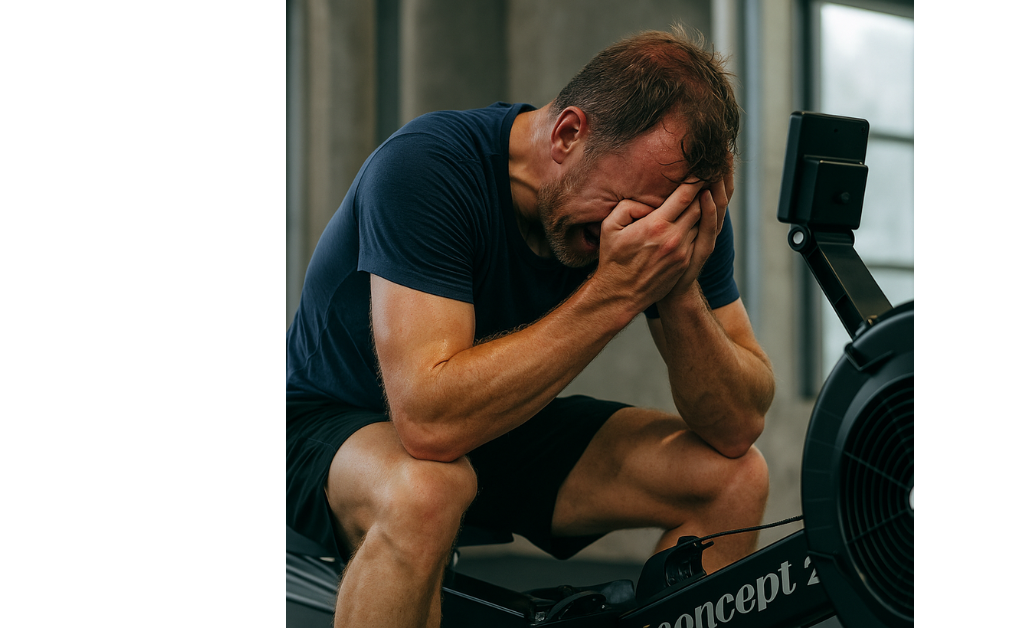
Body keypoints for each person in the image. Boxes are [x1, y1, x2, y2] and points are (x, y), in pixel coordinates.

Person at [286, 27, 775, 628]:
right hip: (337, 422)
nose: (640, 234)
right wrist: (618, 292)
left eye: (658, 222)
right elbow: (429, 422)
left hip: (495, 424)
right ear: (568, 134)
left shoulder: (671, 215)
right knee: (425, 490)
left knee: (733, 478)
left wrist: (676, 286)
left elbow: (737, 424)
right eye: (626, 210)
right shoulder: (427, 166)